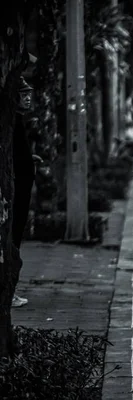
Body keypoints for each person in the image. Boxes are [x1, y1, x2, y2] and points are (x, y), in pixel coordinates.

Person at [12, 76, 36, 308]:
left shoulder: (19, 120)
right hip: (13, 191)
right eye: (23, 94)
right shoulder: (10, 122)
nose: (28, 98)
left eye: (29, 94)